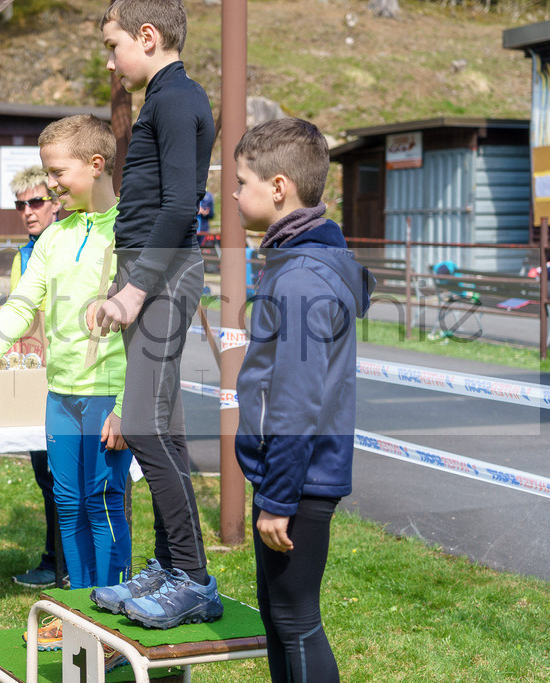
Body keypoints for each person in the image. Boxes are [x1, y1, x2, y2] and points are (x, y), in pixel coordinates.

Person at [88, 0, 224, 629]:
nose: (110, 62)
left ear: (147, 37)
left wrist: (135, 289)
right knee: (162, 427)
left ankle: (193, 579)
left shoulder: (175, 99)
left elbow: (178, 208)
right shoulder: (166, 98)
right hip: (150, 269)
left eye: (113, 46)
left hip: (163, 274)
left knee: (143, 426)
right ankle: (171, 567)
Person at [0, 115, 131, 673]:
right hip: (60, 393)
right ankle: (77, 615)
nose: (51, 184)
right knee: (67, 503)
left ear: (96, 165)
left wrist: (128, 405)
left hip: (108, 395)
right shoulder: (54, 236)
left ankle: (113, 624)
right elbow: (23, 302)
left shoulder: (128, 230)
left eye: (58, 172)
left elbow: (150, 327)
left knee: (104, 504)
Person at [233, 118, 374, 682]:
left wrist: (277, 497)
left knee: (295, 620)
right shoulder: (295, 264)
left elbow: (295, 399)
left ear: (278, 187)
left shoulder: (300, 279)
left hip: (298, 478)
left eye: (241, 182)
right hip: (290, 474)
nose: (234, 195)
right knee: (280, 616)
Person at [7, 165, 65, 589]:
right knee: (46, 477)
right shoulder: (20, 257)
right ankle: (56, 560)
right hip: (36, 378)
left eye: (36, 202)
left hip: (72, 377)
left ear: (55, 203)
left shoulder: (69, 244)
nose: (28, 211)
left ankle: (67, 565)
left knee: (71, 481)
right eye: (20, 204)